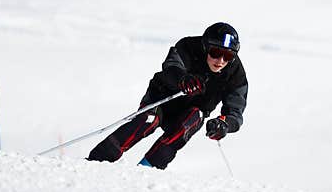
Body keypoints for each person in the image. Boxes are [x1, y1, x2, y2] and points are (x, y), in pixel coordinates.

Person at [87, 22, 248, 170]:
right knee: (148, 120)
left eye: (228, 56)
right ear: (205, 47)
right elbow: (171, 65)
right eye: (216, 52)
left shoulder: (236, 74)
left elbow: (235, 112)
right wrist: (182, 79)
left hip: (191, 111)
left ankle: (146, 170)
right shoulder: (188, 46)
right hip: (161, 100)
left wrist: (224, 125)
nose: (220, 60)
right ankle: (97, 162)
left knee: (191, 120)